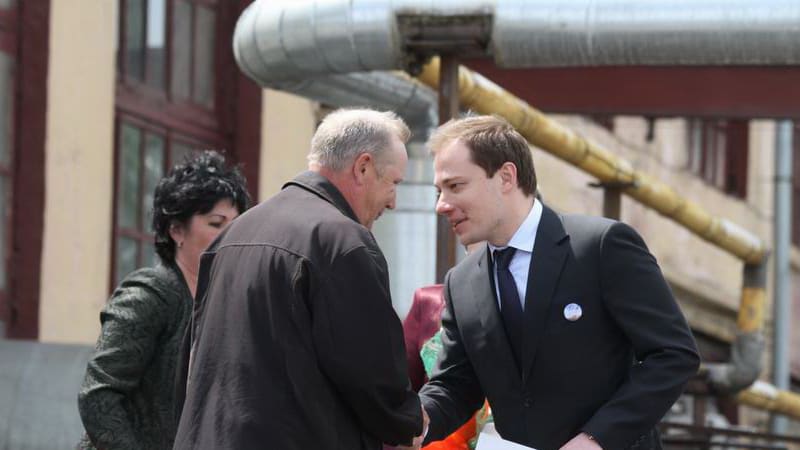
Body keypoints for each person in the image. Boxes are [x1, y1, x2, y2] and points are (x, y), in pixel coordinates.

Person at [418, 115, 700, 450]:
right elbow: (455, 384)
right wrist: (415, 420)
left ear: (506, 177)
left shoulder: (600, 246)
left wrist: (597, 438)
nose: (441, 205)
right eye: (439, 191)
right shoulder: (461, 282)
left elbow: (673, 355)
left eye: (455, 186)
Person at [173, 108, 425, 450]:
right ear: (363, 167)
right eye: (393, 183)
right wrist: (408, 420)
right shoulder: (343, 242)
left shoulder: (233, 234)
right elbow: (371, 373)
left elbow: (194, 361)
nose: (393, 202)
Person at [77, 150, 250, 450]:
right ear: (176, 230)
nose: (230, 235)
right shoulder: (150, 293)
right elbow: (98, 395)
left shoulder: (227, 302)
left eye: (236, 224)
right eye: (216, 223)